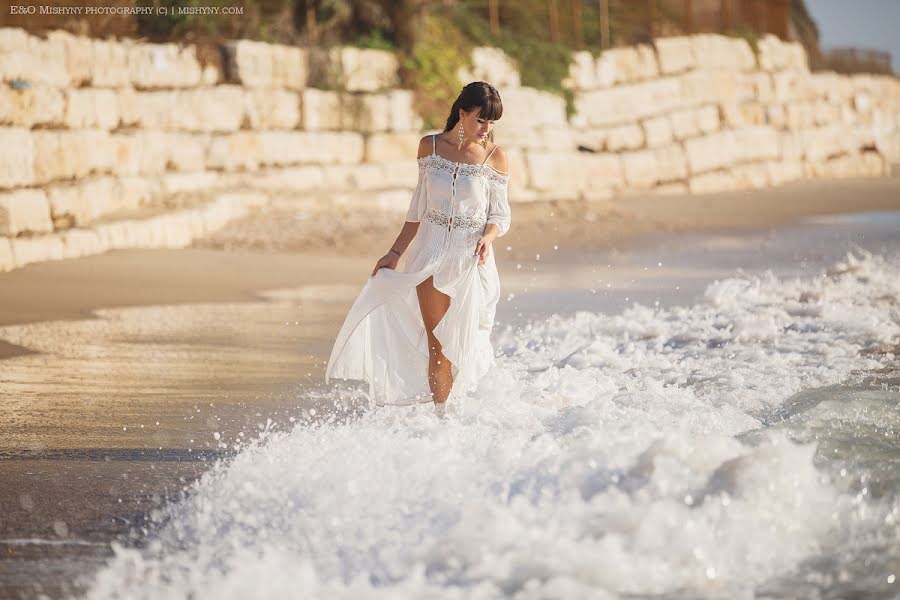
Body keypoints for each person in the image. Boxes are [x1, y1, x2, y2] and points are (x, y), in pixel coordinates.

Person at [325, 81, 511, 414]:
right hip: (431, 253)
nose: (486, 129)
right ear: (463, 112)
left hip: (471, 259)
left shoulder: (495, 157)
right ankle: (442, 420)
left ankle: (468, 416)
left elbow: (499, 214)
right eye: (481, 120)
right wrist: (395, 253)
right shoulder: (430, 148)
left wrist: (489, 236)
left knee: (464, 344)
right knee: (438, 345)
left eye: (492, 123)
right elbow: (418, 209)